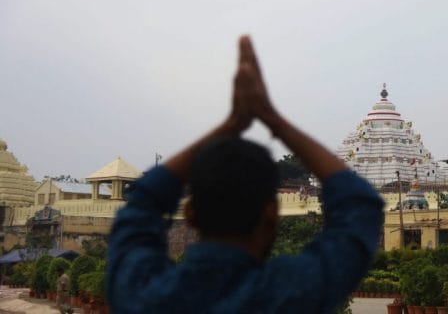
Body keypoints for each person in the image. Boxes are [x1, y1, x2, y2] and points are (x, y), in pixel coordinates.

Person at [107, 36, 385, 313]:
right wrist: (273, 119)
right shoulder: (290, 295)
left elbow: (141, 203)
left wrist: (230, 125)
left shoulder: (145, 295)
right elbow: (360, 205)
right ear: (270, 215)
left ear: (190, 213)